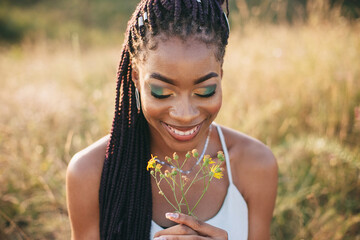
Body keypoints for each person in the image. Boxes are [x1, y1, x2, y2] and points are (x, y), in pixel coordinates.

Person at [66, 0, 278, 239]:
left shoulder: (255, 165)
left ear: (221, 75)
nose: (185, 114)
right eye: (161, 92)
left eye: (205, 91)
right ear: (136, 78)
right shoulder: (91, 172)